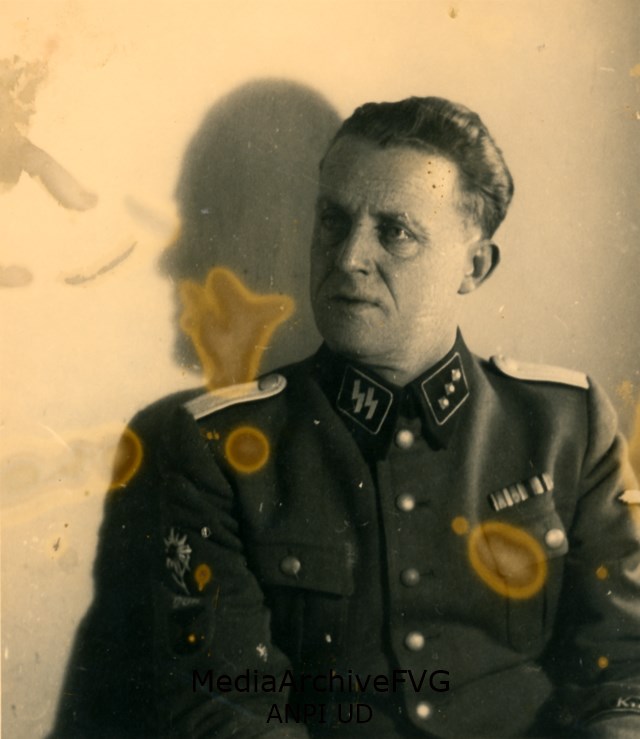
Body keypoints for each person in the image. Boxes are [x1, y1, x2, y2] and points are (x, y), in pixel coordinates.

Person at [51, 96, 640, 738]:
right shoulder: (217, 447)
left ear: (473, 267)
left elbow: (625, 669)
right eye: (333, 221)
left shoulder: (564, 426)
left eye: (396, 232)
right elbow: (229, 710)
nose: (348, 256)